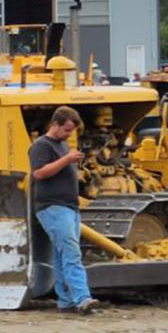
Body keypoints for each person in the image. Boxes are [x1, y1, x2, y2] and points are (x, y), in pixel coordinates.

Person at [31, 106, 97, 314]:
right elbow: (39, 173)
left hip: (68, 207)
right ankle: (82, 297)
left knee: (61, 255)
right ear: (55, 124)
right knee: (71, 252)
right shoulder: (41, 146)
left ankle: (66, 301)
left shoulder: (62, 145)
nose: (69, 134)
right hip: (53, 207)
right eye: (67, 130)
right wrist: (67, 160)